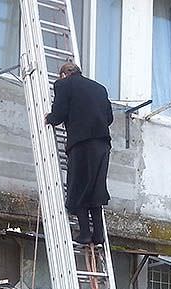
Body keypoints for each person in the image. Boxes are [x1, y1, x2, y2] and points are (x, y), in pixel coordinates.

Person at [45, 62, 114, 245]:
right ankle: (98, 234)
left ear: (63, 75)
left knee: (78, 187)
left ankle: (84, 233)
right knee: (96, 188)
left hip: (81, 144)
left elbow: (59, 113)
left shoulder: (63, 84)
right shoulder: (100, 88)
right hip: (102, 144)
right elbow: (109, 118)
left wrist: (49, 118)